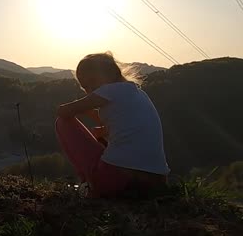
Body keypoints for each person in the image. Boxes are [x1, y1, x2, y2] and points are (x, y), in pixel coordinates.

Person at [56, 52, 169, 198]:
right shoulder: (138, 94)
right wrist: (104, 130)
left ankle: (88, 183)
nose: (90, 89)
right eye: (85, 86)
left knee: (63, 123)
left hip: (116, 179)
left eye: (92, 81)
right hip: (157, 182)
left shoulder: (109, 91)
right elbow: (127, 127)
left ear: (111, 73)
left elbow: (63, 112)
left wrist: (84, 107)